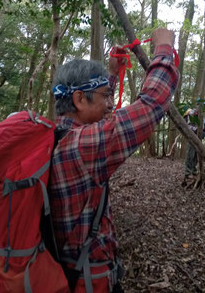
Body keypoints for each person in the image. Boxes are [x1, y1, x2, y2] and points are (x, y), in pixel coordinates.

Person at [49, 27, 179, 293]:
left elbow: (100, 111)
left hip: (66, 271)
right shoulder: (82, 147)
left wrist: (110, 73)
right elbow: (151, 104)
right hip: (86, 279)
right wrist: (164, 49)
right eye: (104, 97)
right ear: (79, 99)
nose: (110, 104)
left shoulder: (57, 135)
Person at [183, 100, 205, 179]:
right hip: (192, 136)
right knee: (190, 154)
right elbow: (189, 126)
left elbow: (203, 126)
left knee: (196, 155)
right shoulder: (192, 113)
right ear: (197, 105)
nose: (204, 108)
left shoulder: (202, 115)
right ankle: (187, 172)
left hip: (199, 137)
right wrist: (198, 130)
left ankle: (194, 171)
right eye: (202, 106)